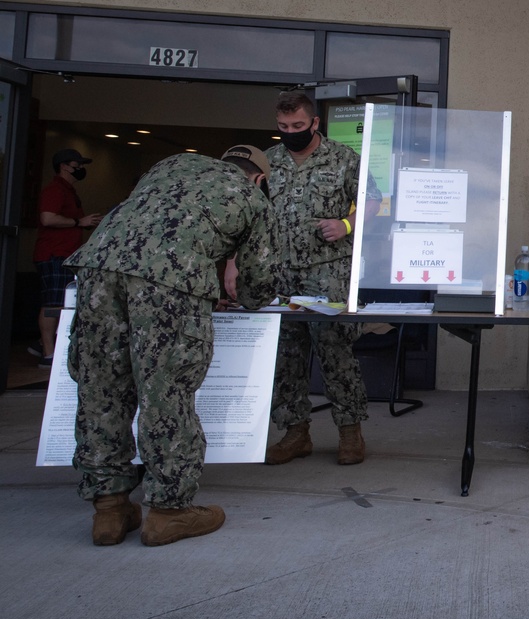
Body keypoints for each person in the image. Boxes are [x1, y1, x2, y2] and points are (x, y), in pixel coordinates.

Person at [64, 145, 277, 547]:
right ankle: (168, 511)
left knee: (100, 389)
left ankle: (109, 509)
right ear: (259, 178)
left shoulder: (172, 163)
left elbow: (158, 220)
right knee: (166, 392)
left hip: (96, 266)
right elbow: (257, 285)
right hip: (166, 283)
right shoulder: (252, 197)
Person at [257, 91, 381, 466]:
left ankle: (349, 432)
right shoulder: (269, 160)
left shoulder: (343, 158)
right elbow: (250, 211)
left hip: (327, 273)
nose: (290, 132)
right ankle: (295, 433)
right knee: (286, 355)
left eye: (297, 125)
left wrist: (346, 224)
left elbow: (374, 200)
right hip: (279, 273)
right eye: (283, 127)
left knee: (335, 351)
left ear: (314, 123)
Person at [32, 148, 103, 368]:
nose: (81, 169)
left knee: (62, 301)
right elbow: (47, 218)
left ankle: (41, 344)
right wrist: (77, 222)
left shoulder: (68, 191)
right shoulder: (55, 190)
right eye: (77, 165)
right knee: (53, 303)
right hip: (54, 254)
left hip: (66, 255)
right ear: (64, 166)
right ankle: (48, 353)